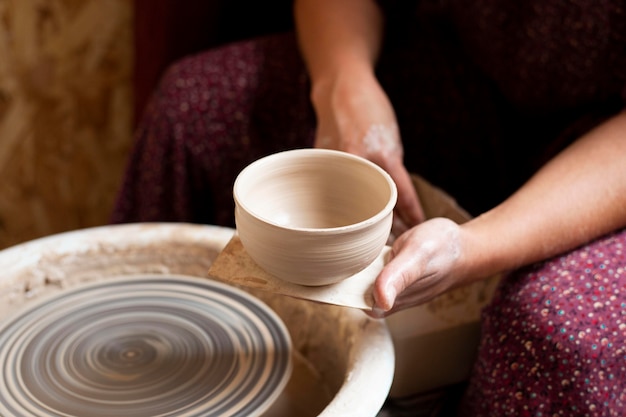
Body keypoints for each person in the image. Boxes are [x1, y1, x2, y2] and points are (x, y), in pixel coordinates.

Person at [112, 0, 626, 415]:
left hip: (610, 146)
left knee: (549, 335)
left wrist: (475, 246)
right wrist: (342, 85)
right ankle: (129, 361)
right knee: (192, 107)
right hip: (476, 68)